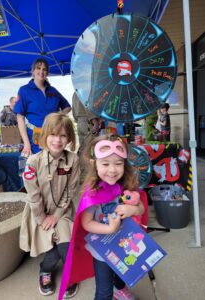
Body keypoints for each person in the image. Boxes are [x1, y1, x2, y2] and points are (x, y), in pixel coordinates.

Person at [59, 134, 145, 300]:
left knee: (123, 271)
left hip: (125, 243)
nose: (112, 170)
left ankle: (120, 288)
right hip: (103, 251)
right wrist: (109, 228)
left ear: (124, 165)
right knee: (104, 291)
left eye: (118, 164)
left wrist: (132, 210)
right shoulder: (93, 192)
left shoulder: (126, 185)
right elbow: (86, 223)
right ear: (94, 164)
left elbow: (141, 208)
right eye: (105, 164)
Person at [19, 113, 79, 297]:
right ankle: (45, 270)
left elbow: (70, 190)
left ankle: (70, 274)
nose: (57, 140)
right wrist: (43, 218)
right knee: (51, 252)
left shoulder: (72, 160)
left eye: (63, 135)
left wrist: (58, 214)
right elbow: (34, 196)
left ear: (69, 137)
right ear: (45, 135)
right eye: (53, 134)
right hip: (40, 213)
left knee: (65, 248)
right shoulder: (33, 162)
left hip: (62, 211)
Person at [13, 58, 71, 156]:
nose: (41, 71)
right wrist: (26, 144)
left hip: (53, 135)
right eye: (38, 68)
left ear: (47, 72)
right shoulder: (24, 90)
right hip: (35, 135)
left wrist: (57, 117)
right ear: (33, 71)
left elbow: (67, 107)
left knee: (54, 163)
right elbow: (20, 118)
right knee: (39, 164)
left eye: (44, 69)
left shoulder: (53, 91)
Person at [72, 91, 100, 182]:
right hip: (88, 121)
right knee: (88, 150)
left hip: (81, 122)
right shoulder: (85, 90)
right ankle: (86, 177)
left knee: (83, 148)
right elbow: (88, 106)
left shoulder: (75, 92)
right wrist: (94, 121)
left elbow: (73, 111)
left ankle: (82, 175)